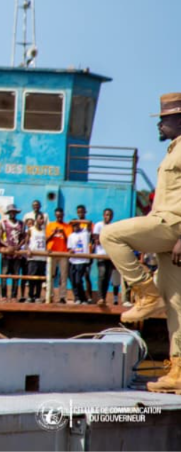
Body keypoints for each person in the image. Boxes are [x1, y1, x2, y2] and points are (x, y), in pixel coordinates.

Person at [100, 93, 181, 393]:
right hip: (168, 227)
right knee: (176, 305)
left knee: (110, 234)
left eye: (164, 119)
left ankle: (146, 293)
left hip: (173, 225)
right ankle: (179, 371)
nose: (159, 124)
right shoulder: (173, 150)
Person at [0, 204, 26, 301]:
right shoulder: (3, 223)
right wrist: (7, 246)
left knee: (16, 275)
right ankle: (3, 295)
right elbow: (0, 238)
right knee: (4, 275)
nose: (12, 214)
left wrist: (18, 246)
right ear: (8, 213)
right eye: (11, 212)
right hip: (6, 253)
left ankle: (14, 296)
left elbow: (24, 237)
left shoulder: (21, 224)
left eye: (14, 212)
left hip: (17, 254)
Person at [46, 208, 72, 303]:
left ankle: (62, 297)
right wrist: (53, 233)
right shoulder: (50, 225)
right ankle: (50, 295)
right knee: (51, 275)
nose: (59, 217)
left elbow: (69, 241)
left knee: (63, 276)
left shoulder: (67, 226)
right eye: (57, 216)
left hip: (63, 253)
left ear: (63, 215)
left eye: (60, 216)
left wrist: (63, 233)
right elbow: (46, 240)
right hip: (52, 253)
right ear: (55, 216)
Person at [92, 208, 117, 305]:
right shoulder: (99, 225)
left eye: (110, 215)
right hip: (101, 254)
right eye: (106, 215)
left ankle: (104, 298)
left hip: (110, 255)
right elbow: (96, 240)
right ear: (103, 215)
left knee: (107, 277)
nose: (108, 217)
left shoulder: (113, 226)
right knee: (102, 274)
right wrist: (107, 239)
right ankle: (100, 297)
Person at [73, 205, 95, 300]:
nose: (80, 213)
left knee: (86, 275)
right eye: (79, 212)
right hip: (77, 253)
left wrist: (92, 252)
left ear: (85, 212)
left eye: (82, 211)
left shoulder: (89, 224)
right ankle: (78, 296)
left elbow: (92, 238)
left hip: (87, 253)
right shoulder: (75, 224)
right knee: (76, 276)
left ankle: (89, 296)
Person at [26, 214, 48, 302]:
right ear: (36, 220)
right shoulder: (31, 230)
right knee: (32, 277)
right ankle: (30, 295)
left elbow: (46, 242)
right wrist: (28, 250)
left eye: (43, 219)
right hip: (33, 258)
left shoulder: (44, 231)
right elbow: (26, 242)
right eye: (40, 219)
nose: (42, 220)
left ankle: (37, 296)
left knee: (40, 278)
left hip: (42, 258)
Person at [67, 220, 91, 304]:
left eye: (77, 225)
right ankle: (77, 298)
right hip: (73, 260)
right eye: (74, 226)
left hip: (82, 260)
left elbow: (89, 223)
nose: (75, 227)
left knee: (78, 280)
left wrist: (77, 221)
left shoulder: (85, 233)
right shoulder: (71, 236)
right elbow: (69, 248)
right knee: (73, 280)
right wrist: (70, 251)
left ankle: (83, 298)